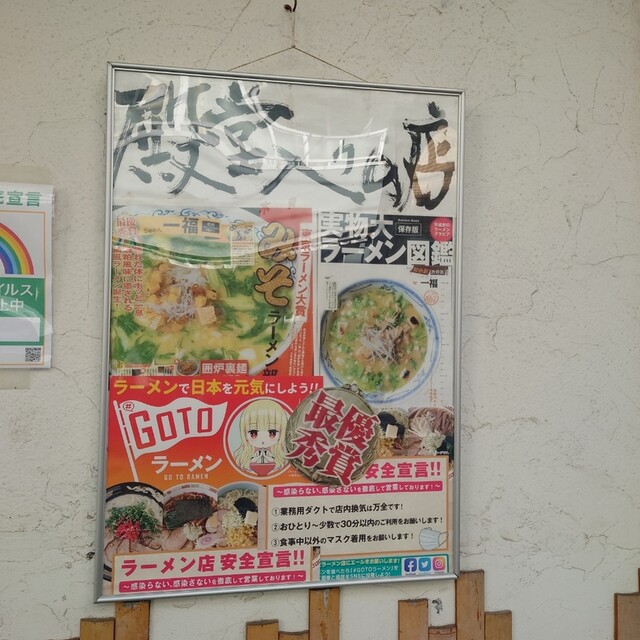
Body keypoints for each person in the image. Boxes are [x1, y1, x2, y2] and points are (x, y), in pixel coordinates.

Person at [233, 399, 288, 475]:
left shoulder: (282, 455)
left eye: (272, 433)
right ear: (244, 433)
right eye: (253, 433)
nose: (262, 440)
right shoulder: (244, 456)